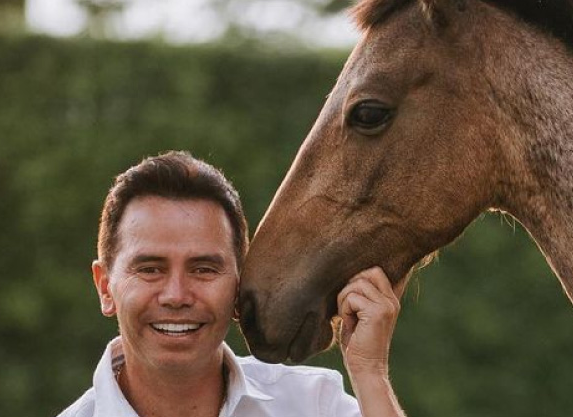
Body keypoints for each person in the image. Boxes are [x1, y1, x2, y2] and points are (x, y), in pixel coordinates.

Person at [59, 151, 408, 417]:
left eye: (204, 269)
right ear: (105, 287)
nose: (177, 295)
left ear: (239, 287)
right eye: (150, 269)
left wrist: (370, 372)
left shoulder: (312, 405)